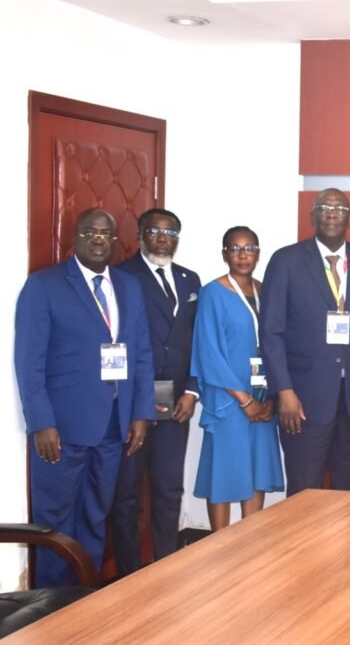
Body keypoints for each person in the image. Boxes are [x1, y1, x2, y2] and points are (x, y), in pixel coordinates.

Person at [15, 208, 154, 586]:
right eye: (90, 232)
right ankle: (51, 602)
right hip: (61, 429)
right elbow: (29, 362)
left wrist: (140, 413)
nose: (98, 239)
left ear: (115, 241)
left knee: (96, 514)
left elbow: (141, 354)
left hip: (113, 425)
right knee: (55, 521)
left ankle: (84, 596)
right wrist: (41, 422)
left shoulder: (128, 287)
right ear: (75, 238)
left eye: (105, 234)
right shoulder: (44, 286)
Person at [260, 188, 350, 494]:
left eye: (339, 209)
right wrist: (284, 391)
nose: (332, 214)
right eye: (325, 208)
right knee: (305, 490)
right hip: (303, 400)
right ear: (312, 216)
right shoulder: (286, 261)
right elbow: (271, 332)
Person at [110, 208, 201, 575]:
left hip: (177, 403)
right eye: (155, 231)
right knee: (127, 494)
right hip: (134, 403)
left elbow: (196, 340)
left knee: (169, 489)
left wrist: (192, 390)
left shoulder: (189, 279)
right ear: (140, 234)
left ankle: (165, 568)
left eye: (171, 233)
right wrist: (137, 402)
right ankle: (130, 573)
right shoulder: (121, 276)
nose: (164, 239)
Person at [192, 226, 283, 530]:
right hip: (229, 399)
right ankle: (220, 542)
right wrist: (244, 400)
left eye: (250, 249)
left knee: (256, 469)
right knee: (224, 471)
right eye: (236, 249)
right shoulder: (212, 293)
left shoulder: (265, 291)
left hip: (263, 398)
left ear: (258, 253)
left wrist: (272, 398)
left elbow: (276, 343)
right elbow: (208, 351)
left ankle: (250, 542)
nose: (243, 255)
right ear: (224, 254)